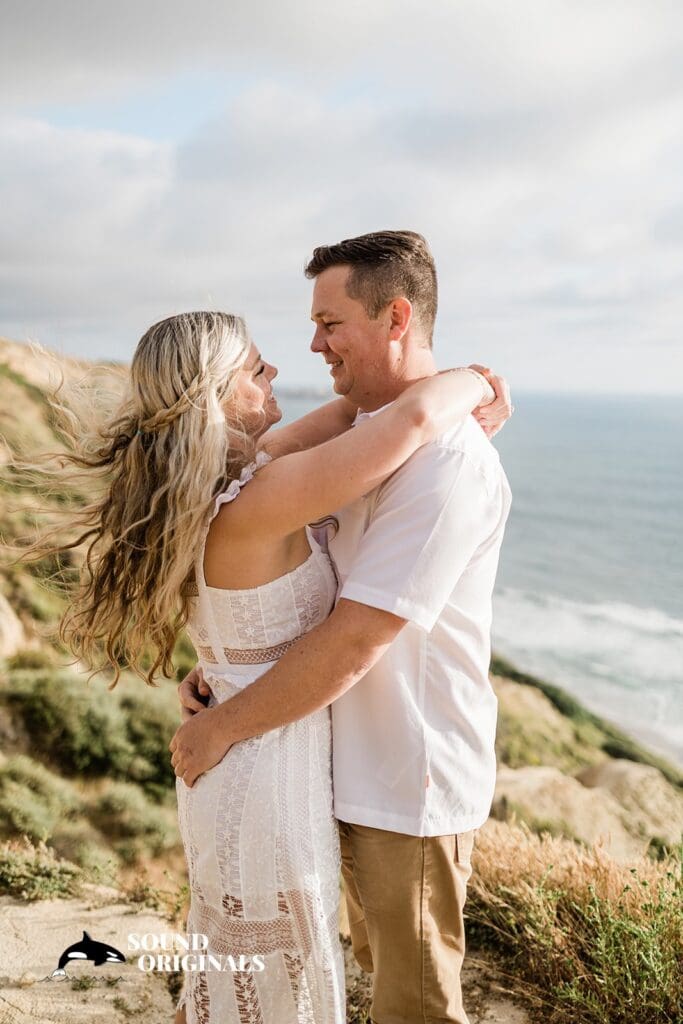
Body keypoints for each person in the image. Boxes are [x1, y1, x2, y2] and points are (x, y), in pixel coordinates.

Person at [173, 231, 513, 1024]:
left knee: (414, 1006)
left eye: (331, 323)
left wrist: (225, 723)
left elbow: (359, 637)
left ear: (395, 317)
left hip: (405, 781)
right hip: (325, 768)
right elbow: (302, 589)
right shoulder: (365, 440)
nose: (314, 343)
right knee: (361, 977)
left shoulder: (446, 462)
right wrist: (230, 671)